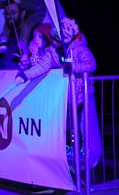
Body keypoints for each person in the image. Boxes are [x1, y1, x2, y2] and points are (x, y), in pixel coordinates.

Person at [16, 17, 101, 168]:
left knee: (75, 123)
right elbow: (42, 66)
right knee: (65, 123)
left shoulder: (80, 49)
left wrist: (72, 67)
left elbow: (91, 64)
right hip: (62, 96)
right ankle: (68, 152)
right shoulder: (53, 51)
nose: (62, 38)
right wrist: (25, 75)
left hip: (78, 93)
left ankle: (79, 152)